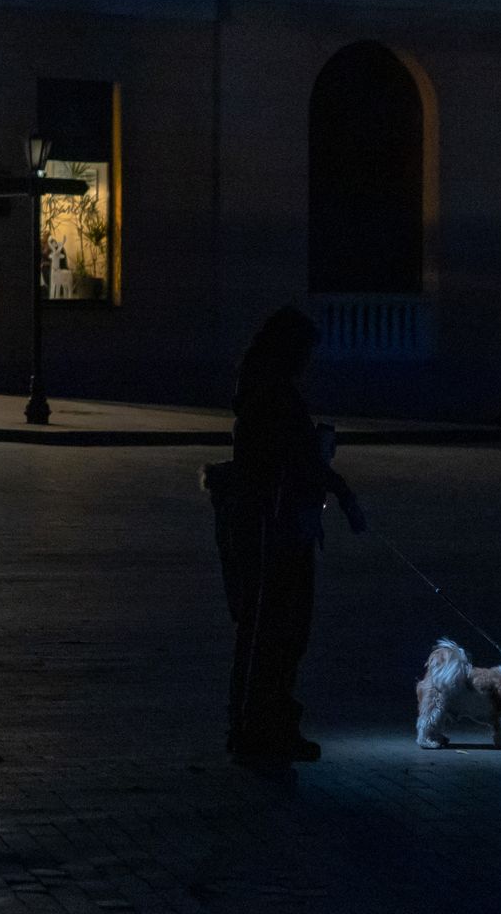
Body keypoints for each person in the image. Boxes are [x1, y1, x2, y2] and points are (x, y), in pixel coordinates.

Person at [217, 306, 367, 773]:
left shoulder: (270, 391)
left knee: (281, 632)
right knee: (270, 630)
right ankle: (255, 728)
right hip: (271, 526)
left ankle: (267, 724)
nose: (308, 362)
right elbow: (286, 461)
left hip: (280, 523)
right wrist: (337, 488)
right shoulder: (271, 396)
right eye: (304, 352)